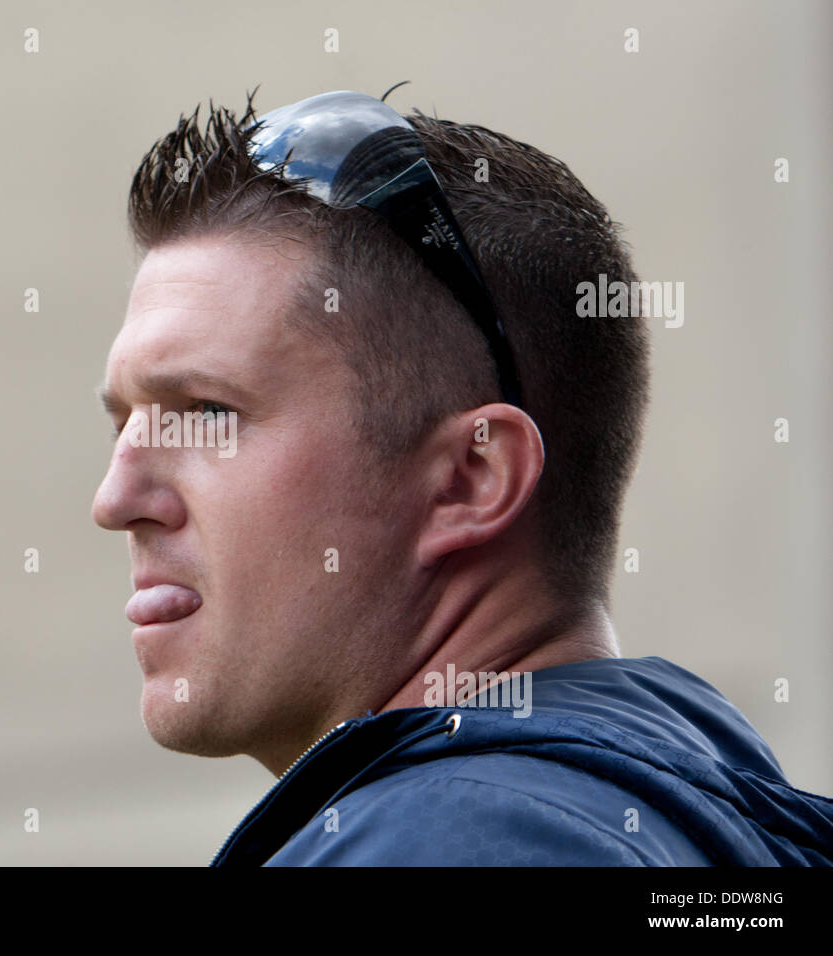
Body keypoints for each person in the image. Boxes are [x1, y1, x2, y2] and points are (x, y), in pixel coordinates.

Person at [91, 87, 833, 865]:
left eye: (206, 412)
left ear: (469, 479)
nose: (115, 500)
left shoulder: (442, 842)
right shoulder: (707, 823)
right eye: (124, 424)